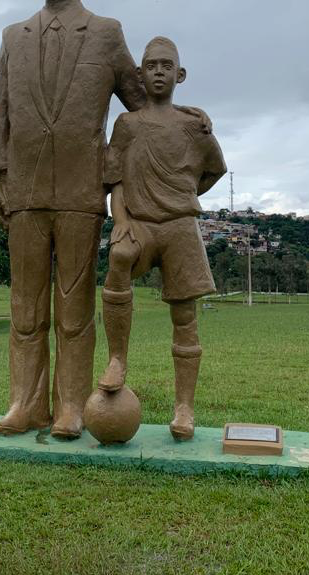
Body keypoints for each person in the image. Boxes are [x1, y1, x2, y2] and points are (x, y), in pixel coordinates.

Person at [0, 0, 146, 439]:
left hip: (80, 192)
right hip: (24, 191)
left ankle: (71, 406)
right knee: (25, 306)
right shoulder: (14, 36)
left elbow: (141, 105)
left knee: (74, 306)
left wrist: (184, 117)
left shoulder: (106, 32)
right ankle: (25, 403)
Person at [98, 36, 226, 440]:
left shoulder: (193, 124)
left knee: (185, 317)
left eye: (165, 66)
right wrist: (121, 219)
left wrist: (183, 194)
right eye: (150, 65)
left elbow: (214, 170)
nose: (157, 72)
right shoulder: (127, 125)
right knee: (118, 256)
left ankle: (184, 409)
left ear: (180, 74)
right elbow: (114, 181)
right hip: (140, 224)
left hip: (179, 227)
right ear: (139, 73)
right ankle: (117, 358)